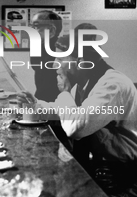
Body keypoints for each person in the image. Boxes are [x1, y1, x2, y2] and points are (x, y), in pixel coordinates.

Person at [18, 23, 137, 196]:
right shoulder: (82, 85)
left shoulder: (112, 85)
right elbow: (63, 111)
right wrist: (34, 104)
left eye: (59, 58)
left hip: (124, 174)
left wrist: (65, 92)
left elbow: (76, 126)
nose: (54, 63)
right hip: (102, 164)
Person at [30, 10, 62, 102]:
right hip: (41, 99)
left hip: (55, 104)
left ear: (51, 30)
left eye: (36, 26)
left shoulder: (60, 50)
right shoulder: (39, 46)